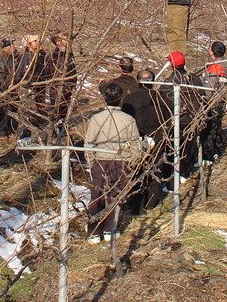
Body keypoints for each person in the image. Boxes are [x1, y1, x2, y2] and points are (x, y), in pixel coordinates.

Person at [84, 83, 142, 243]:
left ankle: (94, 232)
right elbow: (136, 143)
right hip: (122, 162)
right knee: (116, 197)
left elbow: (89, 144)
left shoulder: (96, 119)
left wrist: (91, 162)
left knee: (96, 197)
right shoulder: (129, 119)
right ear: (120, 99)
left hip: (100, 162)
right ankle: (111, 230)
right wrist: (133, 161)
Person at [122, 69, 172, 211]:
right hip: (156, 138)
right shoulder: (161, 98)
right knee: (155, 169)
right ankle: (151, 202)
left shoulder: (130, 99)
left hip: (136, 139)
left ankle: (135, 203)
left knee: (136, 169)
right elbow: (168, 120)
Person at [160, 51, 205, 179]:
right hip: (193, 118)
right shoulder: (195, 79)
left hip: (178, 120)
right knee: (189, 145)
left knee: (176, 147)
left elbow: (163, 103)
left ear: (171, 65)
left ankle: (176, 175)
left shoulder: (168, 84)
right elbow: (201, 94)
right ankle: (187, 171)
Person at [13, 34, 50, 135]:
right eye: (35, 41)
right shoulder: (26, 57)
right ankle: (26, 134)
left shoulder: (41, 54)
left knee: (40, 107)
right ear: (29, 45)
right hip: (29, 87)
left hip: (40, 85)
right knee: (30, 111)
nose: (38, 42)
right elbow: (22, 73)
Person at [49, 32, 77, 123]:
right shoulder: (56, 56)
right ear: (58, 42)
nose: (66, 37)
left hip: (68, 87)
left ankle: (62, 129)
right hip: (59, 88)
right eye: (63, 37)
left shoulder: (68, 52)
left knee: (64, 111)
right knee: (58, 112)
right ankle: (56, 131)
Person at [0, 38, 20, 137]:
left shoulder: (15, 57)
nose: (12, 47)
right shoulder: (2, 59)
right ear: (4, 48)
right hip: (5, 88)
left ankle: (12, 130)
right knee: (4, 110)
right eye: (10, 45)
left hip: (15, 87)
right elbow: (0, 75)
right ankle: (2, 131)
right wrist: (6, 87)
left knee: (14, 108)